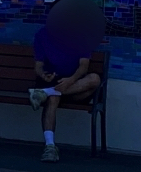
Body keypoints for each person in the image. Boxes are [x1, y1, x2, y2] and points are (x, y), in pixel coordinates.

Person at [27, 25, 101, 162]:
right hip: (53, 80)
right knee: (53, 97)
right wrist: (43, 75)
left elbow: (83, 66)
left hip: (75, 83)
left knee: (94, 79)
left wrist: (70, 80)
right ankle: (50, 146)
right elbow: (38, 66)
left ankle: (44, 93)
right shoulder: (42, 34)